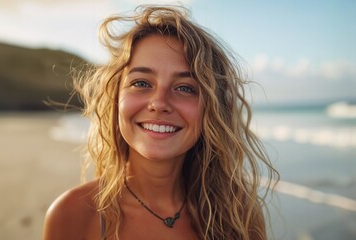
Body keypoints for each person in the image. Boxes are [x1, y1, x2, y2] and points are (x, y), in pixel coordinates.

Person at [43, 5, 278, 240]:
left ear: (212, 108)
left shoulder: (238, 218)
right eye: (142, 83)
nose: (159, 102)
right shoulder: (73, 215)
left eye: (185, 88)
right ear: (116, 98)